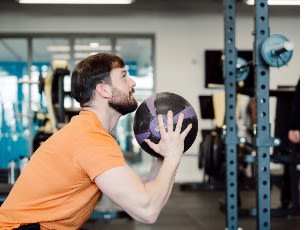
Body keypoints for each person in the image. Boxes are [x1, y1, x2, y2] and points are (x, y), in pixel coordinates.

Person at [0, 53, 192, 229]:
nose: (132, 83)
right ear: (104, 90)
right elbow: (147, 210)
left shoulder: (88, 132)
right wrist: (173, 156)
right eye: (124, 76)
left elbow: (138, 193)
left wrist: (163, 157)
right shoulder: (90, 139)